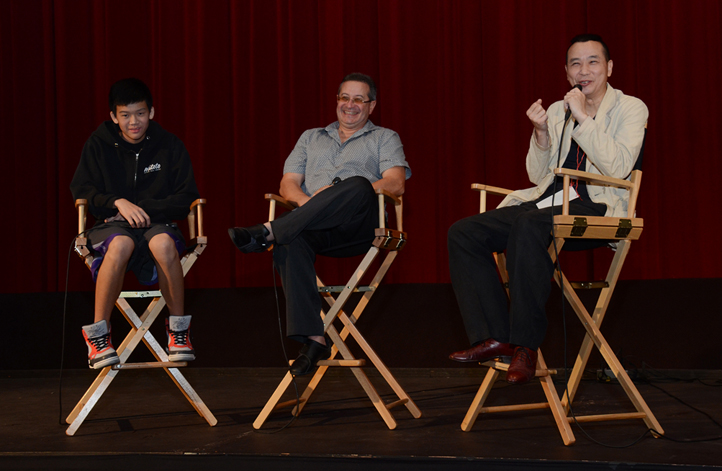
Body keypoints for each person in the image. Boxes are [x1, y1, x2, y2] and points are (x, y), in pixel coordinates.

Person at [447, 34, 648, 385]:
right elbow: (538, 175)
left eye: (592, 62)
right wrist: (541, 134)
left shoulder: (631, 108)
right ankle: (496, 336)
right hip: (548, 201)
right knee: (464, 232)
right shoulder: (558, 110)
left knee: (529, 224)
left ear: (609, 67)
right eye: (575, 64)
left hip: (597, 205)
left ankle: (527, 344)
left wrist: (584, 118)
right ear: (567, 71)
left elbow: (617, 167)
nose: (583, 71)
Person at [229, 73, 411, 376]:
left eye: (358, 99)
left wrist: (346, 192)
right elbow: (288, 184)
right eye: (344, 98)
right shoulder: (310, 137)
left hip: (359, 226)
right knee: (290, 242)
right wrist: (312, 205)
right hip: (313, 225)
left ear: (371, 106)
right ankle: (313, 339)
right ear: (337, 100)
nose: (350, 105)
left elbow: (396, 183)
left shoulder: (384, 137)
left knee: (356, 185)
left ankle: (268, 231)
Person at [70, 78, 200, 369]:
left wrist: (145, 209)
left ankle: (178, 332)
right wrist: (117, 201)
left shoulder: (170, 145)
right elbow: (82, 191)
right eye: (125, 115)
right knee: (120, 244)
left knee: (164, 243)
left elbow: (187, 196)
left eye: (140, 113)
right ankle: (98, 336)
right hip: (112, 224)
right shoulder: (97, 145)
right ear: (114, 116)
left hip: (157, 222)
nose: (134, 122)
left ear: (151, 112)